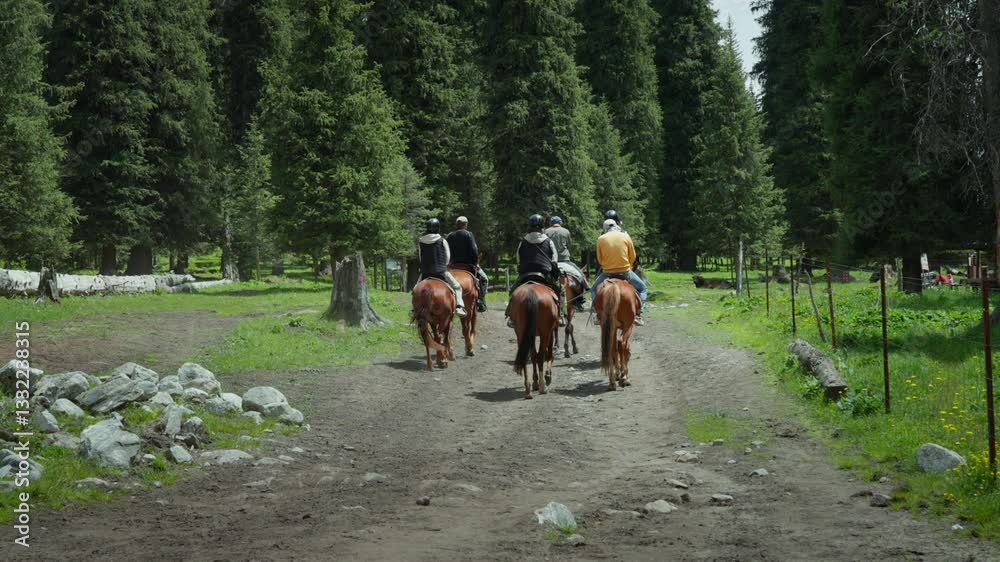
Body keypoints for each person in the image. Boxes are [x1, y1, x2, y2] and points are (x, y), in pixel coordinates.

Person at [505, 214, 566, 327]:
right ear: (542, 226)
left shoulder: (522, 241)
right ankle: (561, 316)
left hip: (526, 274)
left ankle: (511, 315)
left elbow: (518, 259)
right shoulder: (549, 241)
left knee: (513, 292)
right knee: (560, 291)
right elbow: (554, 261)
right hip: (544, 274)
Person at [592, 219, 647, 325]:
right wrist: (627, 266)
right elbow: (633, 256)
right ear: (616, 225)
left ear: (605, 228)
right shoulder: (626, 236)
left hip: (607, 273)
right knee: (643, 288)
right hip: (625, 272)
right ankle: (637, 314)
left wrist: (607, 266)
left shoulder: (601, 238)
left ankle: (598, 315)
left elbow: (600, 259)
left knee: (594, 289)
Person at [417, 218, 466, 318]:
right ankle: (459, 307)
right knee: (457, 286)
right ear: (437, 228)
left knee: (415, 290)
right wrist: (445, 265)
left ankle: (415, 308)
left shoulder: (421, 241)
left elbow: (420, 257)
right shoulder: (442, 240)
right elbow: (447, 256)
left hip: (426, 273)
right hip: (440, 272)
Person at [544, 216, 590, 310]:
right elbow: (569, 244)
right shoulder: (566, 231)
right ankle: (582, 294)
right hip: (564, 259)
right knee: (579, 273)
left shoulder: (546, 231)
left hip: (551, 260)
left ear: (551, 223)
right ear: (560, 223)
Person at [446, 216, 489, 312]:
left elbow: (446, 251)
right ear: (466, 224)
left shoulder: (450, 235)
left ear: (456, 224)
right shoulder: (469, 234)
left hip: (452, 265)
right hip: (468, 265)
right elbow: (474, 250)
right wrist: (475, 263)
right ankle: (480, 300)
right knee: (484, 279)